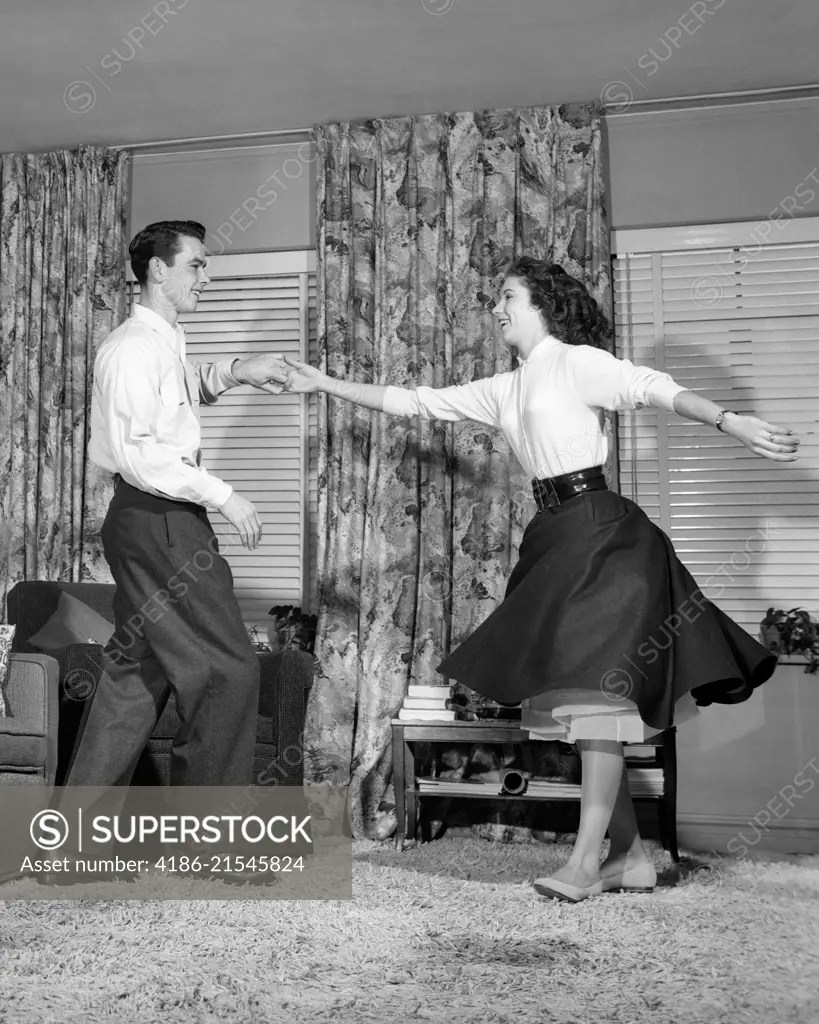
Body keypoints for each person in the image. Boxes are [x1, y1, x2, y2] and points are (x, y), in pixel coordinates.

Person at [279, 257, 799, 902]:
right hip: (555, 538)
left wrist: (731, 422)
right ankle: (631, 856)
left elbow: (651, 385)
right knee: (586, 709)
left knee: (600, 705)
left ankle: (584, 864)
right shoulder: (505, 387)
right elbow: (412, 402)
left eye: (508, 296)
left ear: (542, 305)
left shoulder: (574, 361)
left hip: (608, 539)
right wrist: (323, 382)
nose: (496, 307)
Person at [65, 220, 289, 789]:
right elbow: (141, 453)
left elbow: (183, 391)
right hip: (160, 517)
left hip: (150, 518)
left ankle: (69, 850)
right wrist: (224, 494)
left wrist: (239, 371)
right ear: (158, 270)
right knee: (226, 671)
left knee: (134, 677)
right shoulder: (131, 350)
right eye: (197, 264)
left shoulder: (163, 342)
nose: (206, 277)